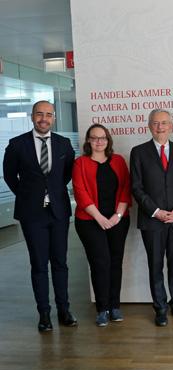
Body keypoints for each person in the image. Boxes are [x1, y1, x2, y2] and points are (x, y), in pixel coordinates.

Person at [2, 100, 77, 332]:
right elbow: (9, 176)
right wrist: (29, 196)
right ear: (32, 116)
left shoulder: (64, 144)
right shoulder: (17, 144)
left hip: (59, 212)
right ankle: (44, 313)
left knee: (60, 262)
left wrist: (51, 194)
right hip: (32, 214)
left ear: (53, 118)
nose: (44, 119)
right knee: (38, 264)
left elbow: (66, 175)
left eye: (48, 114)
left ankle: (64, 310)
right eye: (39, 114)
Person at [130, 109, 173, 326]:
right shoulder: (138, 152)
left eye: (164, 123)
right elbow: (136, 188)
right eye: (156, 123)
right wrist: (155, 211)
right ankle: (160, 308)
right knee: (155, 265)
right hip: (152, 221)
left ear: (171, 125)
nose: (160, 127)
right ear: (149, 126)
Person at [72, 124, 132, 327]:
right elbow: (80, 193)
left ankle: (115, 306)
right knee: (100, 263)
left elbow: (126, 188)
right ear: (88, 141)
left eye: (103, 138)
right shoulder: (80, 163)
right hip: (90, 221)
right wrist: (100, 218)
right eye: (94, 138)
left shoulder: (118, 161)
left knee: (115, 262)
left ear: (108, 140)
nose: (99, 141)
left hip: (118, 220)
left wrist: (117, 215)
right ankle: (102, 309)